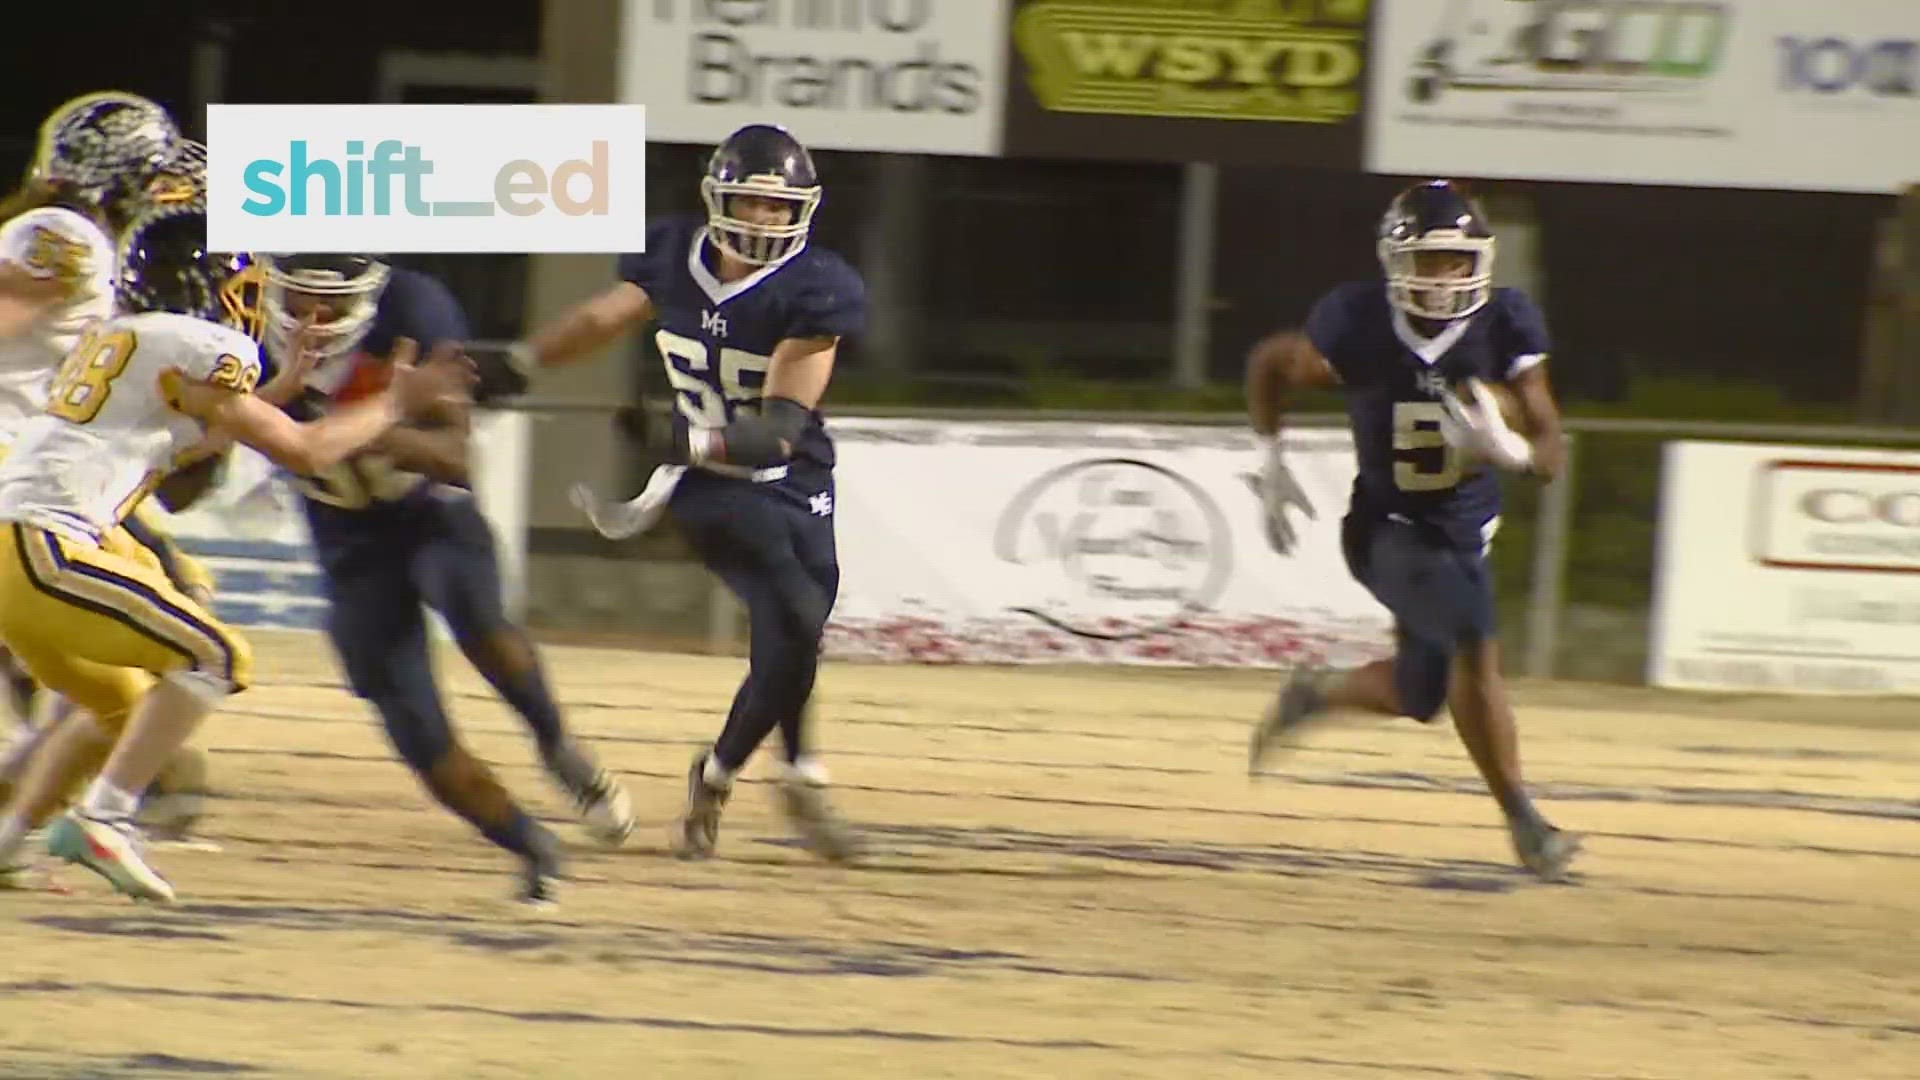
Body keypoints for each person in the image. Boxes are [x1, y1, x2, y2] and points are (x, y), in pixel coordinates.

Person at [0, 207, 473, 902]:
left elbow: (187, 441)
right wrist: (395, 407)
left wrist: (279, 392)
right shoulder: (197, 344)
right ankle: (103, 818)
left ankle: (10, 846)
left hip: (17, 542)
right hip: (40, 544)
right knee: (216, 658)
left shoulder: (118, 340)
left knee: (120, 701)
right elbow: (306, 451)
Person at [491, 122, 866, 863]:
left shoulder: (820, 289)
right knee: (790, 611)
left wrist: (682, 437)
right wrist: (522, 361)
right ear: (715, 198)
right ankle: (800, 775)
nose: (760, 219)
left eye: (774, 206)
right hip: (708, 486)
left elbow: (780, 431)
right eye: (747, 203)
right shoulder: (673, 254)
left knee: (796, 634)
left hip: (791, 472)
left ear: (801, 210)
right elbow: (602, 317)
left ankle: (727, 769)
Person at [249, 250, 635, 908]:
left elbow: (457, 459)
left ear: (367, 297)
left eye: (332, 304)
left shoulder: (412, 310)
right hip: (346, 538)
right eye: (298, 300)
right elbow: (185, 477)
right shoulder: (241, 332)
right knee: (412, 723)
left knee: (473, 609)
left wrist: (355, 431)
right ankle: (529, 842)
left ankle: (555, 741)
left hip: (427, 511)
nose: (313, 319)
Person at [1244, 179, 1581, 881]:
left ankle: (1317, 694)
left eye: (1455, 261)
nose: (1442, 277)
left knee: (1419, 694)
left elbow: (1551, 448)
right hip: (1387, 530)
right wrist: (1271, 458)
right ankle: (1525, 820)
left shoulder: (1505, 325)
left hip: (1463, 538)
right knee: (1473, 641)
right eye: (1428, 261)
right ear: (1397, 264)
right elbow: (1272, 360)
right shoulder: (1359, 320)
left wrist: (1511, 450)